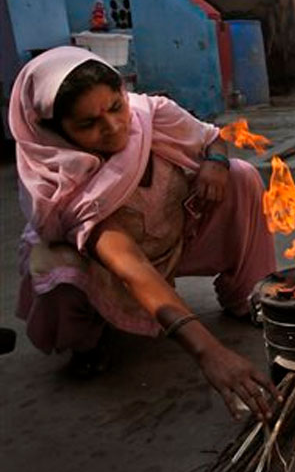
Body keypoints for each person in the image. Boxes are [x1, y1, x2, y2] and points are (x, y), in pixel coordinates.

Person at [9, 46, 278, 422]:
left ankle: (244, 295)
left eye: (115, 106)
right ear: (54, 130)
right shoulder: (59, 181)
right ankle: (88, 337)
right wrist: (208, 350)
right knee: (53, 263)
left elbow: (211, 138)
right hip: (106, 268)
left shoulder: (150, 114)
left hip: (174, 233)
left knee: (240, 175)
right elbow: (128, 263)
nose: (114, 127)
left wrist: (214, 162)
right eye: (88, 124)